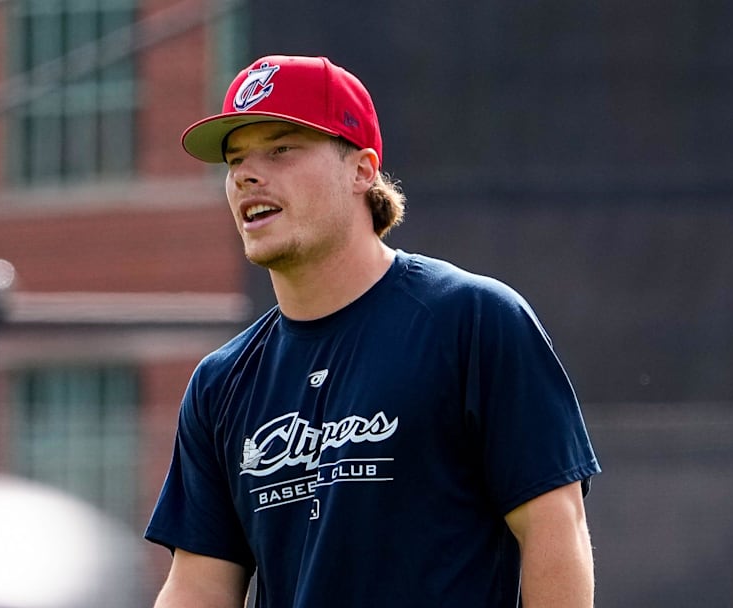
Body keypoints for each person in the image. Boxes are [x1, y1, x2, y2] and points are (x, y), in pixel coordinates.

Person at [144, 54, 601, 608]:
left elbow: (555, 528)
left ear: (362, 170)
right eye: (235, 159)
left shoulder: (474, 320)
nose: (246, 173)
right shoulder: (221, 383)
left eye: (281, 148)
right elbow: (198, 586)